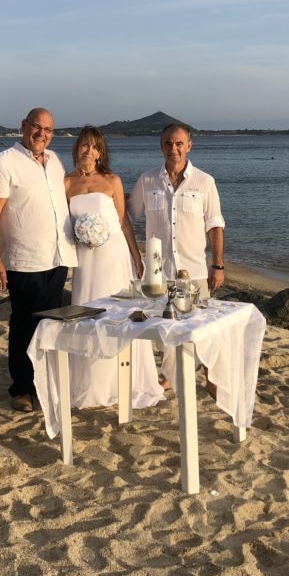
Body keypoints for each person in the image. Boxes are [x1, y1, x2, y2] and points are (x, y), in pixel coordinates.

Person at [0, 108, 78, 412]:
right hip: (25, 260)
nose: (42, 134)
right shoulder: (3, 163)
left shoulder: (55, 162)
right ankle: (21, 388)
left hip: (58, 255)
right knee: (24, 324)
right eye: (37, 127)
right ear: (24, 126)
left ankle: (42, 382)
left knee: (50, 323)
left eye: (48, 129)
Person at [64, 126, 164, 409]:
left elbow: (123, 222)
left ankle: (125, 380)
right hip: (85, 259)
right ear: (77, 149)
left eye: (95, 147)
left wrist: (137, 256)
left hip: (114, 256)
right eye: (84, 146)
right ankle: (90, 383)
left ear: (100, 152)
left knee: (119, 315)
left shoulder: (112, 181)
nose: (89, 151)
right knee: (87, 314)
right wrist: (80, 236)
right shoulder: (66, 183)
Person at [128, 122, 225, 391]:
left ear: (189, 145)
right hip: (160, 272)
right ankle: (170, 376)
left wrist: (217, 265)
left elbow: (215, 225)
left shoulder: (205, 182)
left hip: (194, 271)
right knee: (164, 329)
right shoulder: (147, 181)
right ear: (161, 146)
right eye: (169, 143)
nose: (174, 149)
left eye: (179, 143)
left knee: (204, 327)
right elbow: (127, 215)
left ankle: (211, 378)